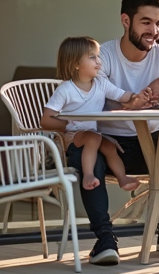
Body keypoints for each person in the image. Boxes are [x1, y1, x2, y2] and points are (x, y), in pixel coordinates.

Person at [66, 0, 159, 265]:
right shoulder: (103, 57)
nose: (154, 31)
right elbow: (93, 105)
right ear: (126, 21)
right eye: (146, 22)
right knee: (88, 154)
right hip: (112, 145)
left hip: (156, 144)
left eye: (158, 23)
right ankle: (105, 240)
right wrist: (150, 92)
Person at [40, 36, 149, 192]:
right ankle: (88, 175)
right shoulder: (65, 90)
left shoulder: (101, 83)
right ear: (76, 64)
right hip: (71, 136)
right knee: (94, 138)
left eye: (98, 57)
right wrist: (67, 124)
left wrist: (137, 97)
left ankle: (122, 178)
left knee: (109, 146)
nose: (99, 62)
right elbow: (45, 120)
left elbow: (122, 95)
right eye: (92, 57)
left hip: (91, 133)